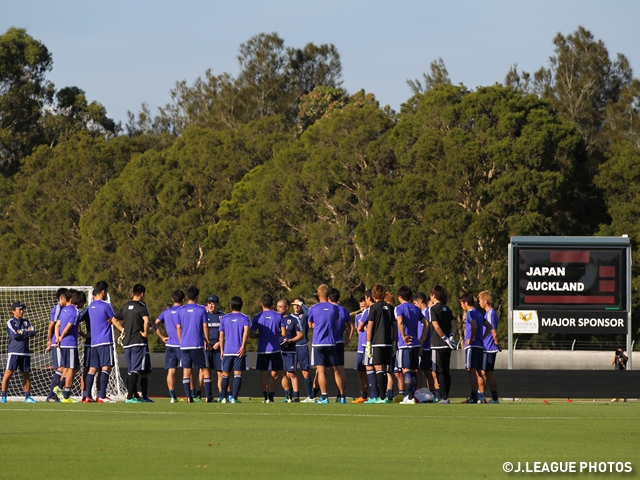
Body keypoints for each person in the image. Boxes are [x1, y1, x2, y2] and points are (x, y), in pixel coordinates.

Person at [112, 284, 151, 404]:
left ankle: (134, 396)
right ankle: (129, 397)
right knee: (135, 370)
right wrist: (145, 333)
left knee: (131, 370)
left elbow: (114, 319)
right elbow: (146, 321)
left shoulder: (125, 306)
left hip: (127, 343)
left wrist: (122, 330)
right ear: (142, 294)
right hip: (138, 342)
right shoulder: (141, 307)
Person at [308, 284, 343, 404]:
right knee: (336, 371)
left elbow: (310, 324)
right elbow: (335, 321)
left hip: (318, 343)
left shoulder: (313, 308)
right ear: (328, 295)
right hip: (331, 342)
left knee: (321, 371)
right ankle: (342, 396)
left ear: (318, 295)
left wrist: (317, 325)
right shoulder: (334, 308)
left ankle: (324, 396)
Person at [84, 281, 118, 403]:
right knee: (106, 368)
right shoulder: (106, 306)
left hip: (93, 343)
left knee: (92, 369)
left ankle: (87, 396)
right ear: (103, 292)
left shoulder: (90, 307)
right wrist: (123, 330)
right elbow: (114, 320)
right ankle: (101, 395)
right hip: (105, 341)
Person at [177, 286, 211, 403]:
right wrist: (207, 340)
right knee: (204, 369)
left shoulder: (180, 310)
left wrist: (181, 341)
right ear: (197, 296)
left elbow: (178, 327)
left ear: (186, 296)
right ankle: (208, 396)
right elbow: (205, 326)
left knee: (186, 371)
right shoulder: (201, 309)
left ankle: (188, 397)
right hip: (197, 345)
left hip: (185, 345)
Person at [250, 294, 286, 403]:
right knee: (281, 372)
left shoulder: (257, 317)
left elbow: (251, 335)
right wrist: (275, 334)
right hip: (275, 348)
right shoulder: (278, 316)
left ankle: (266, 397)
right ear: (273, 304)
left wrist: (261, 335)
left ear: (261, 304)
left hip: (263, 350)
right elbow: (284, 333)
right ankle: (289, 396)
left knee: (264, 374)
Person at [364, 284, 396, 404]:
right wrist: (393, 342)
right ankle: (385, 397)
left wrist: (368, 344)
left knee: (379, 370)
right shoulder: (390, 308)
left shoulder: (373, 308)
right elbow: (395, 327)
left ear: (373, 295)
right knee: (384, 369)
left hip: (377, 343)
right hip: (387, 342)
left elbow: (370, 327)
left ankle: (381, 398)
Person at [459, 293, 493, 404]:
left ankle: (474, 396)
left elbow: (474, 326)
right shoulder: (479, 313)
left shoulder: (470, 313)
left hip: (472, 346)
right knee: (479, 371)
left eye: (461, 304)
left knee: (471, 370)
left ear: (466, 303)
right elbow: (489, 326)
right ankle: (481, 396)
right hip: (479, 345)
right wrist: (481, 337)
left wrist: (472, 338)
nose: (461, 306)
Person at [395, 286, 427, 404]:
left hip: (405, 345)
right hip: (415, 344)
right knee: (413, 371)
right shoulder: (416, 308)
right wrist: (421, 339)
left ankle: (409, 397)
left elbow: (400, 321)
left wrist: (403, 335)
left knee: (406, 370)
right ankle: (411, 396)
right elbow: (426, 323)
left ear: (400, 297)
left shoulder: (398, 308)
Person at [1, 302, 37, 403]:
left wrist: (22, 332)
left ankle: (27, 396)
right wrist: (26, 332)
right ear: (13, 311)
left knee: (26, 374)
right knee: (8, 373)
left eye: (22, 309)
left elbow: (33, 332)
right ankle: (3, 396)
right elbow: (14, 335)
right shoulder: (10, 322)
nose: (22, 311)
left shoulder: (26, 321)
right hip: (14, 352)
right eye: (19, 309)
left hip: (25, 352)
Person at [57, 290, 87, 403]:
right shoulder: (75, 311)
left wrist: (58, 337)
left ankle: (59, 387)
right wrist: (62, 336)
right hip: (69, 343)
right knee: (71, 369)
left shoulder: (64, 309)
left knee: (75, 367)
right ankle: (65, 396)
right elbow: (69, 326)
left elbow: (58, 325)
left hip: (64, 344)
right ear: (80, 302)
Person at [219, 296, 251, 403]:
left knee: (225, 374)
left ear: (230, 305)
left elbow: (221, 336)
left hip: (227, 351)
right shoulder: (245, 318)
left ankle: (223, 398)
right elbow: (246, 332)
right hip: (239, 351)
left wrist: (222, 350)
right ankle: (234, 398)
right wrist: (243, 346)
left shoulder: (224, 318)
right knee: (237, 374)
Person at [155, 290, 184, 403]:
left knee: (171, 371)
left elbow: (156, 322)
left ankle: (172, 396)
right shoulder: (183, 310)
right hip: (182, 344)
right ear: (183, 300)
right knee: (187, 370)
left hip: (170, 344)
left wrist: (162, 337)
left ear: (172, 299)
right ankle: (191, 395)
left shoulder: (166, 312)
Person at [429, 285, 456, 404]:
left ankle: (444, 398)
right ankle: (445, 396)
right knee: (445, 371)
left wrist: (445, 338)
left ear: (433, 296)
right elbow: (453, 325)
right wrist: (451, 337)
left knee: (439, 371)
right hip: (447, 345)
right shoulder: (447, 308)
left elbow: (436, 326)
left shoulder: (433, 309)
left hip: (437, 344)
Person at [328, 287, 353, 403]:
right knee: (341, 369)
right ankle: (341, 394)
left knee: (327, 370)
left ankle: (319, 394)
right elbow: (352, 326)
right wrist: (348, 340)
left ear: (328, 298)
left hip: (330, 342)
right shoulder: (344, 310)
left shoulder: (328, 309)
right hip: (340, 341)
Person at [276, 298, 303, 402]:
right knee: (275, 373)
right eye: (277, 307)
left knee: (291, 373)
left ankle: (296, 396)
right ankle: (272, 396)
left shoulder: (294, 319)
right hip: (277, 351)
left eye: (280, 307)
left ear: (286, 307)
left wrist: (290, 341)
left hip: (290, 350)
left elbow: (300, 335)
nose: (278, 309)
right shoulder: (275, 319)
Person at [413, 292, 438, 398]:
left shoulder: (426, 312)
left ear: (420, 302)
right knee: (422, 370)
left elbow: (426, 329)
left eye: (415, 303)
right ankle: (424, 392)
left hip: (425, 346)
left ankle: (430, 392)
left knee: (424, 371)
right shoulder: (421, 313)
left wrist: (421, 344)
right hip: (423, 345)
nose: (414, 306)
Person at [478, 290, 501, 404]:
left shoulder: (491, 313)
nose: (479, 303)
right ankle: (483, 397)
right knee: (485, 372)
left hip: (488, 348)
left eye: (480, 301)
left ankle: (489, 398)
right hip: (486, 347)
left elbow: (494, 331)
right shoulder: (487, 313)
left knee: (486, 372)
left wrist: (497, 343)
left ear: (486, 301)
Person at [202, 295, 225, 401]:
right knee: (206, 372)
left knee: (220, 373)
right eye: (209, 303)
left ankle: (221, 395)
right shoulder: (203, 315)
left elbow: (227, 333)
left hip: (218, 349)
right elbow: (198, 331)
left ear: (217, 304)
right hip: (206, 348)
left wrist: (220, 343)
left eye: (214, 303)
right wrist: (204, 342)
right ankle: (208, 395)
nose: (211, 305)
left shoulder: (223, 316)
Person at [46, 288, 68, 402]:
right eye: (66, 297)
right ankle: (51, 395)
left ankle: (57, 394)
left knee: (65, 367)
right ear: (61, 298)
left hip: (62, 342)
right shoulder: (58, 308)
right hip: (57, 342)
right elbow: (51, 326)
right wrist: (50, 341)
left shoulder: (65, 308)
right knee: (61, 368)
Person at [291, 298, 313, 402]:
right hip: (291, 347)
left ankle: (310, 396)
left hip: (303, 346)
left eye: (298, 304)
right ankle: (292, 397)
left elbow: (309, 313)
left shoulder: (304, 316)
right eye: (294, 304)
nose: (296, 306)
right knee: (290, 373)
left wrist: (302, 304)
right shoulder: (289, 317)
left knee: (305, 372)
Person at [352, 295, 369, 403]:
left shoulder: (371, 314)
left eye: (364, 306)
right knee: (361, 373)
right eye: (361, 306)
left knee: (372, 372)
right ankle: (363, 395)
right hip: (360, 349)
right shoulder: (358, 317)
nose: (362, 309)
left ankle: (376, 394)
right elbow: (359, 332)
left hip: (368, 347)